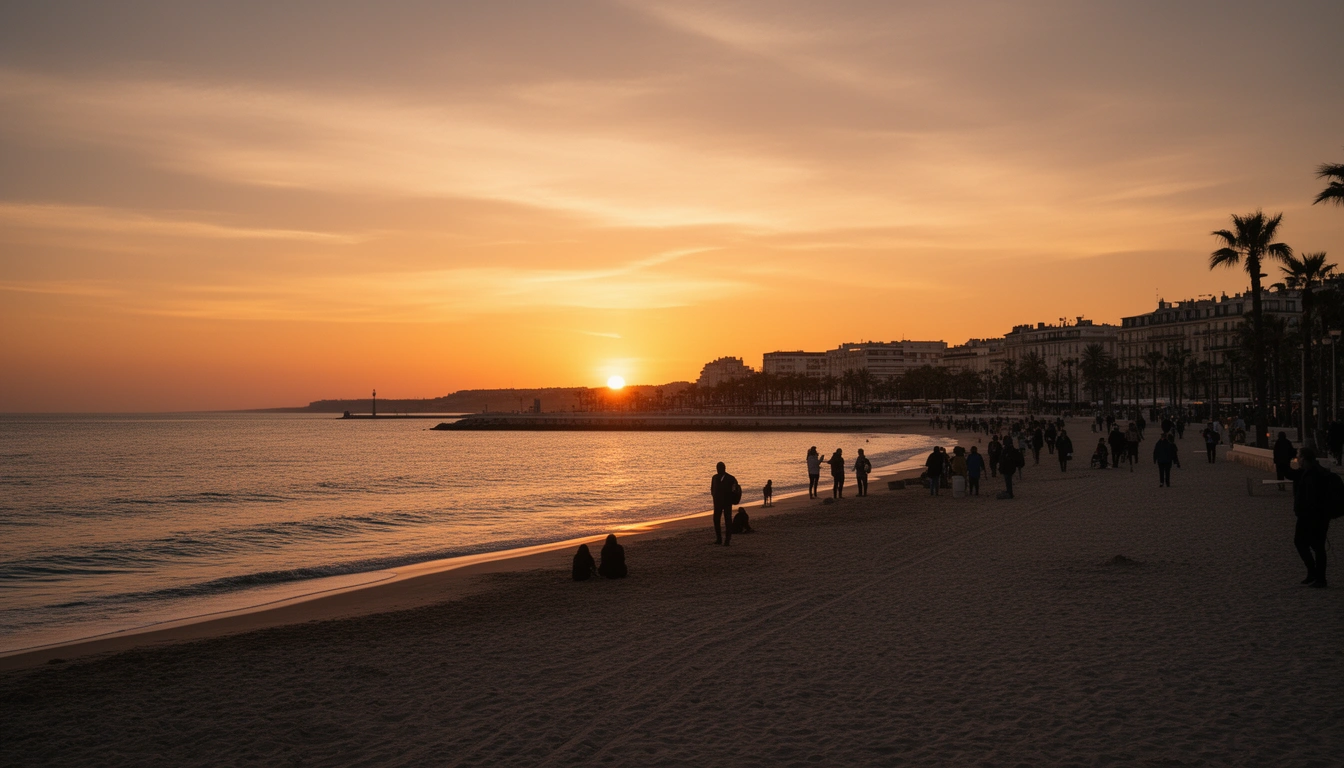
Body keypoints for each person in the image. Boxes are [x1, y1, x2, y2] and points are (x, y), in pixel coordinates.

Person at [1280, 445, 1341, 588]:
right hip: (1314, 516)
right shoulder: (1310, 471)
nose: (1297, 460)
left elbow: (1312, 497)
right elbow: (1289, 473)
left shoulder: (1314, 474)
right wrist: (1285, 459)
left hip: (1312, 516)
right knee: (1312, 545)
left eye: (1298, 457)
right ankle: (1314, 574)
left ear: (1304, 459)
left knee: (1311, 545)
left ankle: (1319, 577)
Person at [710, 462, 740, 546]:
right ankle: (719, 539)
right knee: (716, 519)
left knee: (728, 520)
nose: (718, 470)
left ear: (724, 468)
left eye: (719, 468)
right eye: (717, 468)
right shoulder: (715, 478)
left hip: (727, 502)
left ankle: (727, 540)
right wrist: (714, 496)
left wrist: (732, 499)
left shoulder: (731, 478)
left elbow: (735, 490)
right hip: (717, 502)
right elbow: (712, 488)